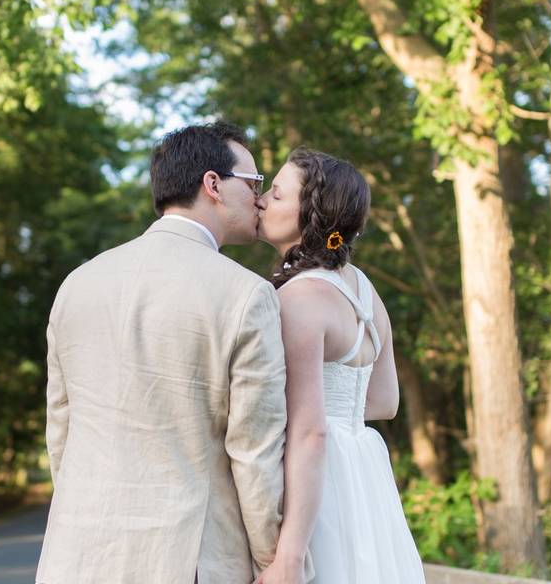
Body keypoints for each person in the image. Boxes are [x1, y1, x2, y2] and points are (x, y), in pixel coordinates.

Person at [35, 122, 288, 584]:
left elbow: (62, 429)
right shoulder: (246, 295)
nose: (259, 198)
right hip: (189, 557)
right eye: (253, 183)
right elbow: (254, 451)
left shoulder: (78, 284)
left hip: (78, 553)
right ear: (212, 184)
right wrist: (273, 560)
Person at [254, 147, 426, 584]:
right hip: (364, 474)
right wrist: (338, 413)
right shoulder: (364, 289)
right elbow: (385, 402)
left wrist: (289, 556)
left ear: (309, 213)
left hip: (317, 482)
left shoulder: (297, 300)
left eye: (275, 195)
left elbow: (310, 430)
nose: (261, 202)